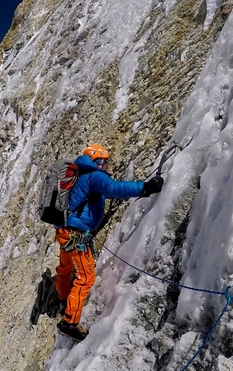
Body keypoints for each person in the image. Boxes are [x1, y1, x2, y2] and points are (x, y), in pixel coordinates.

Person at [54, 144, 164, 341]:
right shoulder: (94, 176)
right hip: (76, 234)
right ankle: (69, 322)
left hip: (64, 230)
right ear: (99, 161)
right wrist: (145, 187)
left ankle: (63, 298)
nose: (107, 165)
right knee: (86, 277)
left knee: (65, 269)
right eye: (106, 161)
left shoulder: (79, 175)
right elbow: (113, 188)